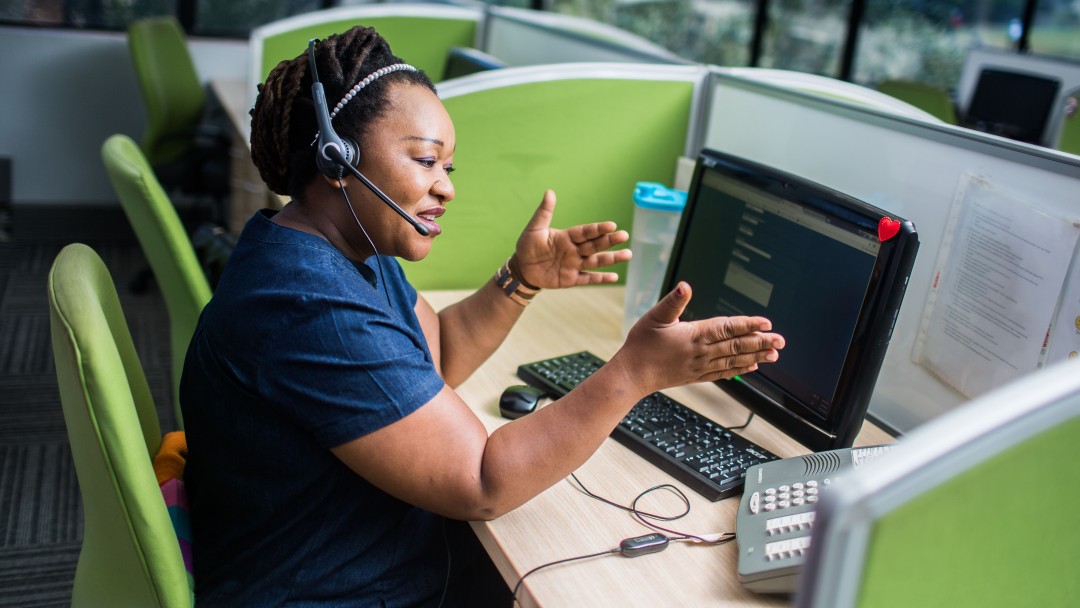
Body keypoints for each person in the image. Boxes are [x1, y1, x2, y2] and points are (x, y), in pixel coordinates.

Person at [180, 25, 785, 607]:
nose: (446, 188)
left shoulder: (338, 248)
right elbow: (481, 481)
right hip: (328, 592)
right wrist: (633, 374)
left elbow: (438, 352)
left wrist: (520, 281)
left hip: (372, 559)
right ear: (337, 159)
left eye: (449, 168)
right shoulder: (307, 301)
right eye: (425, 161)